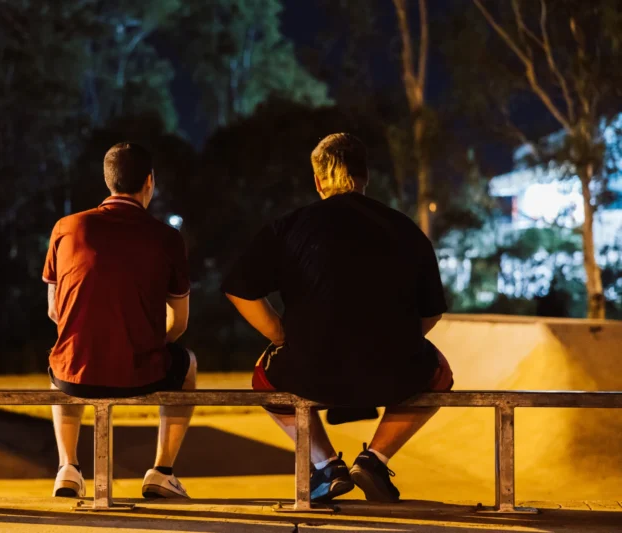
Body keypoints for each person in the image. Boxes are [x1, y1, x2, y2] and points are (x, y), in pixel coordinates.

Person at [222, 133, 454, 503]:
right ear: (366, 177)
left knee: (264, 380)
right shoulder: (405, 228)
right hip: (394, 370)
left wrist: (279, 334)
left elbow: (238, 288)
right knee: (439, 373)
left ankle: (326, 465)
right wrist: (401, 339)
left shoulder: (290, 226)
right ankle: (375, 460)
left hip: (308, 368)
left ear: (317, 181)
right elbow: (432, 311)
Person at [43, 142, 196, 499]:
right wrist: (147, 345)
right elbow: (181, 321)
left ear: (107, 180)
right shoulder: (168, 238)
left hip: (73, 377)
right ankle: (162, 471)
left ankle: (68, 467)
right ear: (149, 182)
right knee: (188, 364)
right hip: (142, 373)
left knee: (61, 356)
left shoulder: (66, 227)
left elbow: (55, 311)